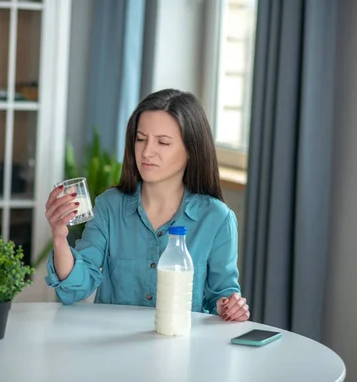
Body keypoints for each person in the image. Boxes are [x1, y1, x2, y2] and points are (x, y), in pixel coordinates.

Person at [44, 88, 250, 322]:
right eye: (141, 139)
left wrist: (230, 307)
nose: (147, 152)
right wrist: (60, 237)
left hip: (183, 348)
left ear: (192, 150)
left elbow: (221, 297)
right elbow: (74, 288)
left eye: (163, 142)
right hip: (114, 346)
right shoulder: (109, 207)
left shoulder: (217, 218)